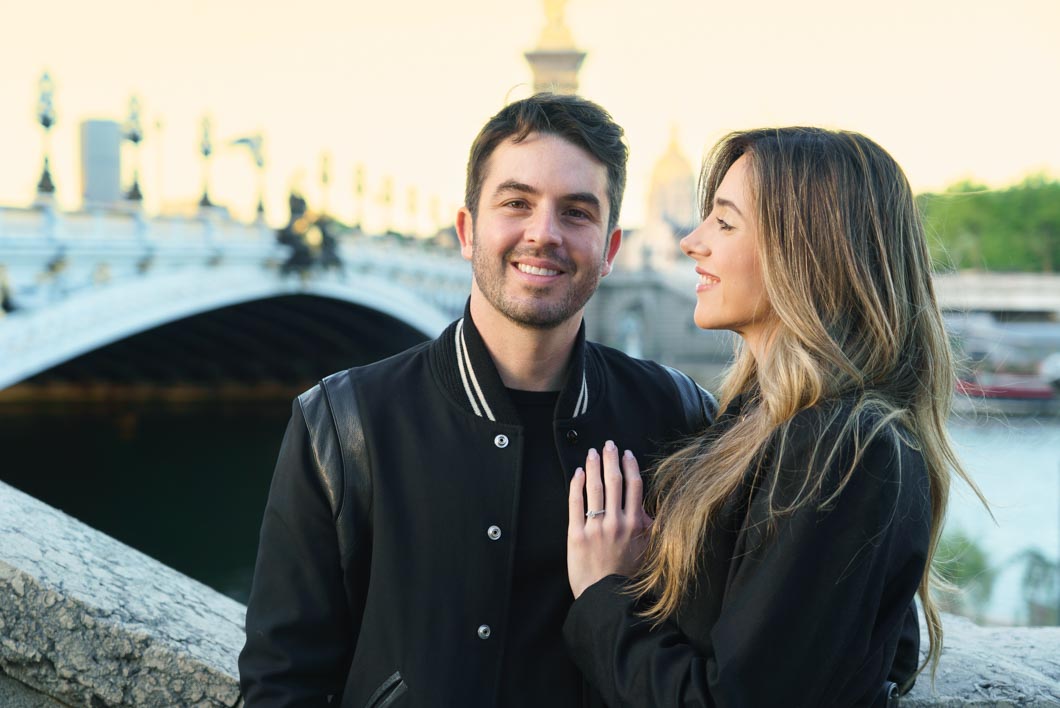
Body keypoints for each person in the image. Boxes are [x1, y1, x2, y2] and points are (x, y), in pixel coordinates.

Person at [238, 93, 716, 708]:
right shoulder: (342, 424)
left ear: (611, 251)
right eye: (516, 203)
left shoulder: (678, 418)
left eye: (576, 212)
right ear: (467, 231)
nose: (543, 234)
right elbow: (283, 685)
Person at [564, 127, 984, 707]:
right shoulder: (769, 423)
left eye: (726, 222)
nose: (693, 242)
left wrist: (602, 593)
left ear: (806, 253)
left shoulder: (840, 448)